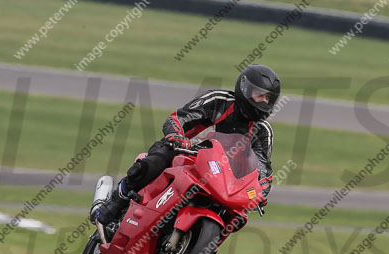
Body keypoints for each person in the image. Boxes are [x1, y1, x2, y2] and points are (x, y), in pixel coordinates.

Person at [93, 64, 281, 224]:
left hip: (222, 179)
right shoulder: (218, 101)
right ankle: (117, 199)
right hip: (183, 153)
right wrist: (176, 136)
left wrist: (260, 193)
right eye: (260, 95)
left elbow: (263, 170)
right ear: (246, 89)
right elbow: (177, 119)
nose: (264, 101)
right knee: (153, 163)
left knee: (235, 216)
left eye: (268, 98)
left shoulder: (263, 132)